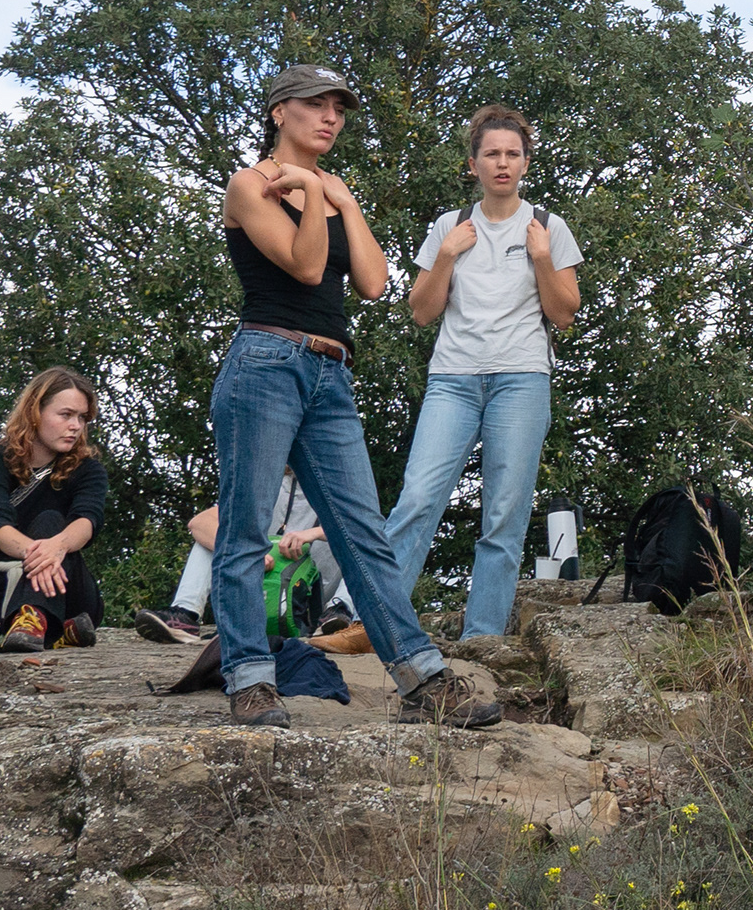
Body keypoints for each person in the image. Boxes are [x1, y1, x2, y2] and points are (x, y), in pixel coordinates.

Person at [211, 65, 497, 730]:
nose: (330, 117)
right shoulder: (250, 185)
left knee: (363, 531)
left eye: (338, 108)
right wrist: (314, 192)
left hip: (331, 372)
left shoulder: (332, 189)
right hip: (265, 361)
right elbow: (307, 265)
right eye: (315, 104)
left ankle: (422, 679)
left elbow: (372, 282)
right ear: (279, 112)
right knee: (246, 526)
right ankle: (250, 681)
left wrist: (340, 197)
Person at [382, 106, 582, 640]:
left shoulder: (548, 227)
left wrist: (542, 258)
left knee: (504, 515)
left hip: (522, 379)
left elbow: (564, 314)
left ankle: (482, 638)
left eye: (512, 154)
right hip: (453, 379)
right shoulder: (449, 226)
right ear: (473, 164)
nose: (502, 163)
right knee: (417, 499)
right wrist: (446, 256)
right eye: (492, 154)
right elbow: (421, 311)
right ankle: (377, 623)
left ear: (526, 162)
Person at [136, 485, 351, 649]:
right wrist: (246, 554)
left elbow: (363, 528)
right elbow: (198, 523)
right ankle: (186, 614)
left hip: (312, 606)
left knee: (358, 546)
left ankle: (339, 613)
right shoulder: (267, 485)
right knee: (212, 537)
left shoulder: (337, 485)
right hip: (260, 595)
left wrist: (315, 533)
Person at [0, 368, 108, 652]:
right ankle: (55, 629)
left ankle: (31, 618)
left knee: (51, 521)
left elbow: (87, 521)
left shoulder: (89, 470)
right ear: (35, 412)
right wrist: (42, 554)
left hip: (72, 594)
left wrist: (57, 547)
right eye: (66, 415)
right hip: (3, 583)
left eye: (82, 418)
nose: (76, 426)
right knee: (47, 525)